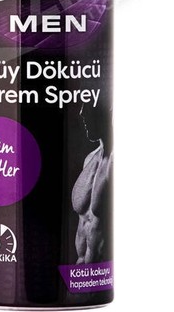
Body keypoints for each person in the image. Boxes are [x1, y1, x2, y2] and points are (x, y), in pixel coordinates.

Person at [72, 104, 113, 263]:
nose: (82, 114)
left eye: (88, 109)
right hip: (79, 267)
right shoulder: (89, 159)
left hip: (102, 269)